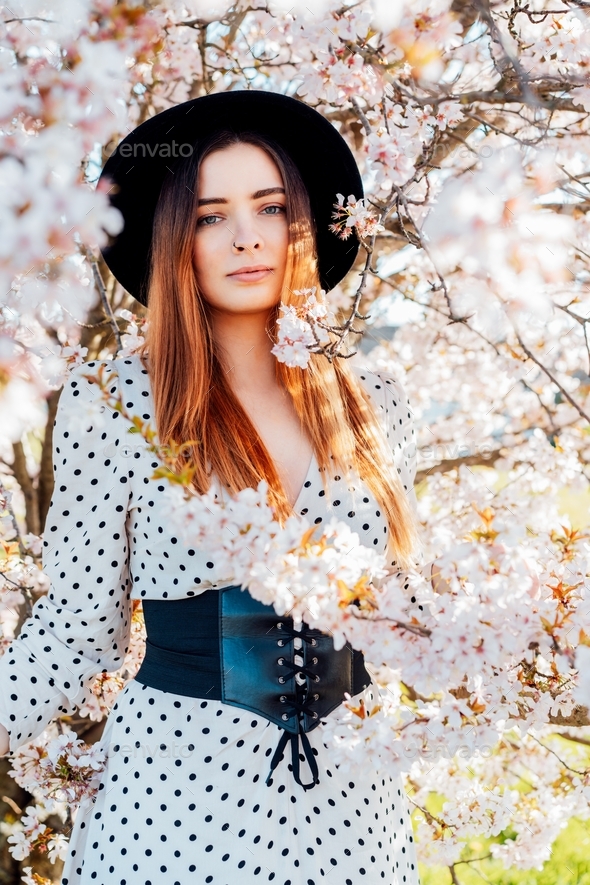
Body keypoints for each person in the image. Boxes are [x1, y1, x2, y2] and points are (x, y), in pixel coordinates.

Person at [0, 91, 430, 885]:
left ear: (302, 223)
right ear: (175, 240)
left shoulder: (377, 398)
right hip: (176, 797)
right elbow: (75, 630)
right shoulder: (115, 404)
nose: (245, 237)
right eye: (208, 215)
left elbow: (412, 613)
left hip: (354, 797)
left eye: (270, 206)